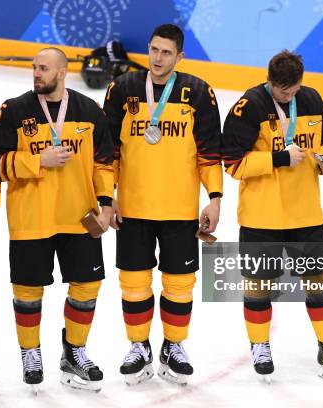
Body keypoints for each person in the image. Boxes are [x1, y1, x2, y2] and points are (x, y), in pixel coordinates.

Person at [222, 50, 323, 382]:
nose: (289, 96)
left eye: (293, 90)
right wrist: (279, 158)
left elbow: (319, 147)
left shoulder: (310, 98)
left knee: (321, 285)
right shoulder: (249, 106)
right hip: (261, 219)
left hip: (307, 216)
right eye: (283, 91)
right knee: (259, 288)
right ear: (270, 81)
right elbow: (232, 164)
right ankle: (260, 346)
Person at [0, 48, 114, 392]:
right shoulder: (13, 111)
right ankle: (31, 353)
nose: (36, 73)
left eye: (43, 68)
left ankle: (74, 352)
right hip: (31, 218)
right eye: (34, 67)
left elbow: (104, 163)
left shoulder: (90, 111)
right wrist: (35, 160)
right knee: (28, 292)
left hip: (78, 218)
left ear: (62, 72)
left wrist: (106, 204)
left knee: (87, 289)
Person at [102, 23, 223, 386]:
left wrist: (214, 199)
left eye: (166, 52)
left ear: (179, 56)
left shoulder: (199, 92)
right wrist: (108, 197)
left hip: (180, 211)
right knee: (134, 284)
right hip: (133, 208)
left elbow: (209, 154)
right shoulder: (122, 88)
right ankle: (139, 346)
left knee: (180, 283)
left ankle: (173, 345)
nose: (157, 58)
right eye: (154, 50)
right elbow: (108, 153)